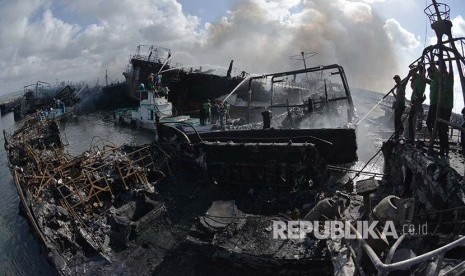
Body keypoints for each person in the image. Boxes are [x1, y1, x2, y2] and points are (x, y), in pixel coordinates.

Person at [436, 59, 454, 156]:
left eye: (441, 67)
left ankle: (445, 148)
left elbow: (451, 70)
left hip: (447, 106)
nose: (440, 69)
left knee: (443, 128)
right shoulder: (442, 78)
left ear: (444, 68)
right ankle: (443, 147)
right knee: (440, 127)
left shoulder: (449, 77)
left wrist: (450, 60)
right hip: (442, 106)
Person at [408, 65, 427, 142]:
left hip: (416, 101)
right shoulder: (420, 80)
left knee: (413, 119)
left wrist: (416, 67)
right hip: (415, 100)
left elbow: (411, 71)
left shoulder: (420, 78)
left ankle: (412, 137)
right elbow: (412, 86)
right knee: (411, 119)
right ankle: (411, 137)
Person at [392, 73, 410, 138]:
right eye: (395, 80)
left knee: (398, 118)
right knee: (396, 119)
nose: (396, 81)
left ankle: (401, 129)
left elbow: (407, 78)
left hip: (401, 105)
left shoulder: (402, 85)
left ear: (399, 79)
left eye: (396, 79)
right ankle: (397, 132)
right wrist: (393, 92)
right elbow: (397, 98)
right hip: (397, 104)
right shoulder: (397, 88)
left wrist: (409, 74)